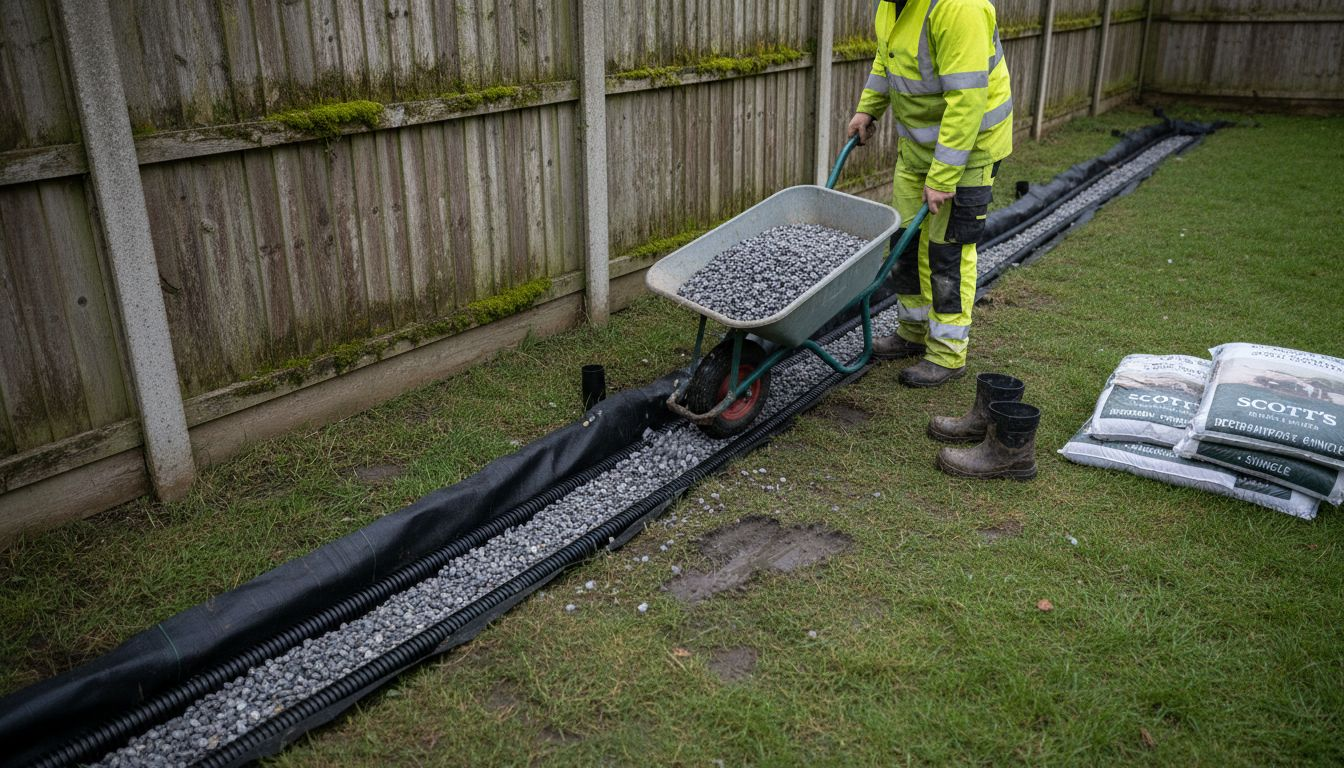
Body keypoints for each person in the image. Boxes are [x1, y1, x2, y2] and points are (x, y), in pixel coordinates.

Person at [848, 0, 1013, 387]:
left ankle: (947, 352)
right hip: (918, 147)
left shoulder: (960, 9)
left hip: (969, 151)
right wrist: (868, 108)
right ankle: (914, 331)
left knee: (946, 252)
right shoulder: (891, 6)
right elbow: (888, 60)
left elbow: (967, 101)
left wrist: (943, 176)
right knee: (905, 241)